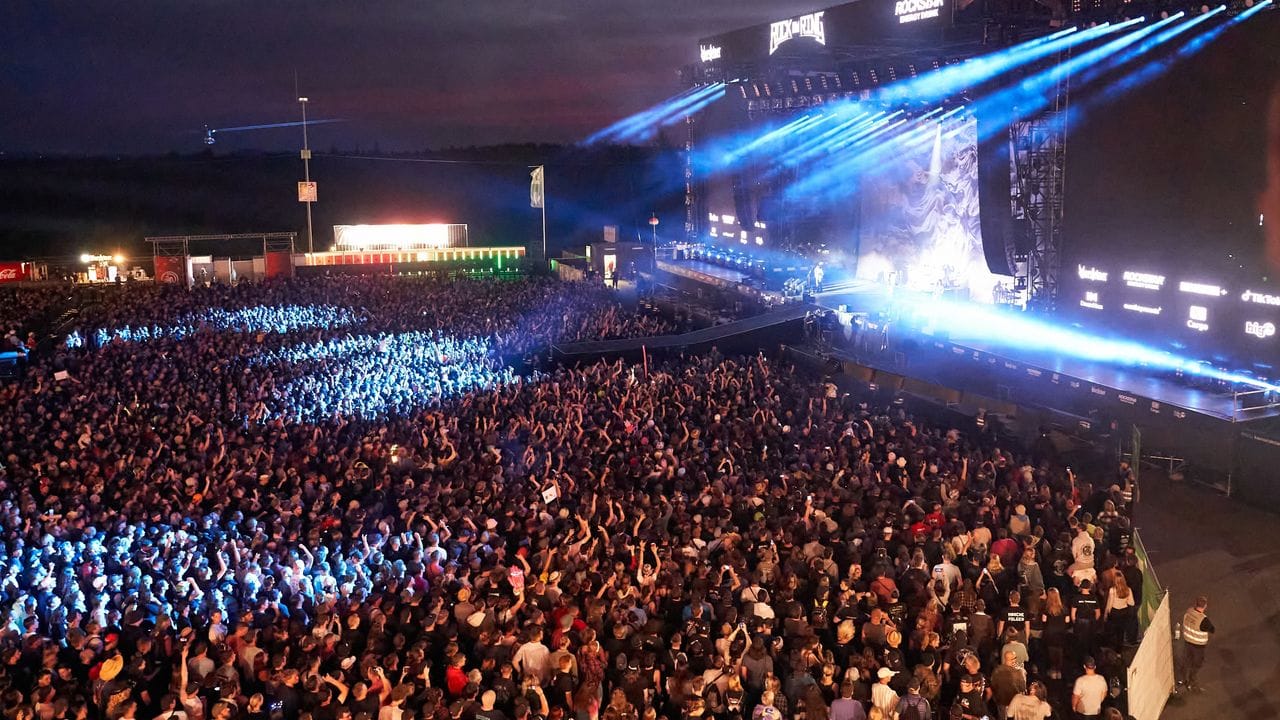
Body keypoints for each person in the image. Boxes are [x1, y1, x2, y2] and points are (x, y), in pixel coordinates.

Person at [1179, 595, 1215, 692]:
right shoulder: (1204, 620)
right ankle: (1192, 682)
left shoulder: (1189, 611)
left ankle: (1182, 680)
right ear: (1205, 606)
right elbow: (1212, 630)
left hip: (1187, 642)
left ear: (1196, 604)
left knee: (1186, 661)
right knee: (1197, 664)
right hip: (1198, 646)